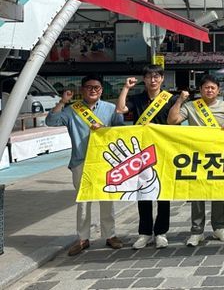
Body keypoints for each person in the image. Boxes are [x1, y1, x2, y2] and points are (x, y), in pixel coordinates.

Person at [46, 74, 125, 256]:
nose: (93, 90)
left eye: (96, 87)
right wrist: (62, 102)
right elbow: (51, 121)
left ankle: (110, 235)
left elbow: (120, 130)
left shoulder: (110, 108)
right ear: (82, 90)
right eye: (89, 87)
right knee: (83, 201)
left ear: (101, 90)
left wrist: (105, 130)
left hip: (105, 161)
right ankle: (82, 238)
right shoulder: (72, 110)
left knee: (107, 199)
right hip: (81, 161)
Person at [168, 74, 224, 247]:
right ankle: (197, 231)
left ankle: (219, 227)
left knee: (218, 193)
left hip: (218, 155)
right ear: (200, 90)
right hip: (196, 156)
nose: (209, 90)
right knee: (197, 194)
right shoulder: (191, 106)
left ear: (218, 90)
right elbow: (172, 120)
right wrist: (180, 100)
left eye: (213, 88)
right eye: (206, 87)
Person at [115, 65, 176, 249]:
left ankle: (161, 232)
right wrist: (126, 88)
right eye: (149, 77)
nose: (153, 80)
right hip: (142, 153)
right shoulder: (137, 98)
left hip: (164, 151)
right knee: (143, 192)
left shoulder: (170, 99)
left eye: (156, 76)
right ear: (144, 79)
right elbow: (121, 109)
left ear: (162, 79)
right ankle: (145, 233)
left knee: (163, 193)